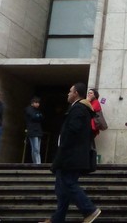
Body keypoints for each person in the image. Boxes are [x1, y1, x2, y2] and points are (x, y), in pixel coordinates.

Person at [39, 82, 101, 223]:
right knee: (61, 188)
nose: (68, 94)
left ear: (76, 93)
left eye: (70, 91)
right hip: (70, 155)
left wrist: (62, 152)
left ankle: (89, 210)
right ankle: (57, 219)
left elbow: (72, 132)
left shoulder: (78, 109)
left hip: (71, 156)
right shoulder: (78, 108)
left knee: (68, 183)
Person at [26, 96, 44, 164]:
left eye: (38, 103)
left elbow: (41, 117)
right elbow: (34, 116)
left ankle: (36, 163)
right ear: (32, 103)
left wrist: (38, 116)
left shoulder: (37, 111)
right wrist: (38, 116)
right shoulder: (29, 109)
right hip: (32, 130)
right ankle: (37, 163)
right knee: (35, 148)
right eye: (36, 102)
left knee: (37, 149)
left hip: (38, 130)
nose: (38, 104)